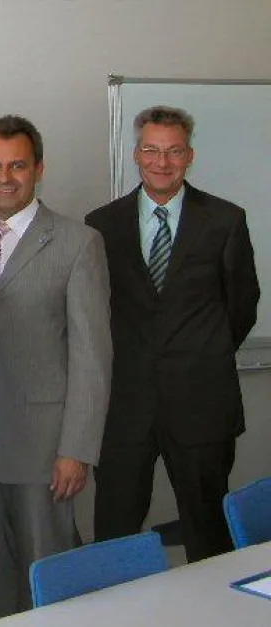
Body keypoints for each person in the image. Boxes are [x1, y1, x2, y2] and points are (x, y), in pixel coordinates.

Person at [0, 115, 111, 622]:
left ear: (38, 168)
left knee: (46, 580)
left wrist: (76, 450)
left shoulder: (77, 243)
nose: (3, 176)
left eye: (16, 165)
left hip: (44, 450)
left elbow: (93, 355)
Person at [86, 105, 260, 562]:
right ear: (136, 155)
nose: (162, 163)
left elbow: (242, 306)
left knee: (208, 534)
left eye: (174, 152)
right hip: (125, 408)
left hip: (202, 404)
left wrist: (200, 356)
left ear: (190, 156)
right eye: (152, 151)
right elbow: (95, 314)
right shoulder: (101, 226)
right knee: (116, 532)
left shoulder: (224, 221)